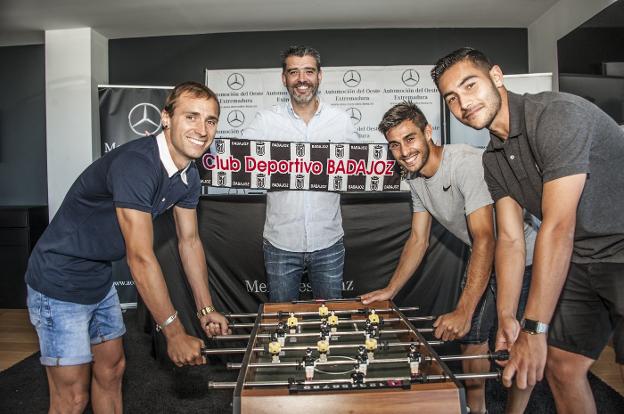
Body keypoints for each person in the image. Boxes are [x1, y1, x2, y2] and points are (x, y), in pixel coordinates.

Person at [433, 47, 624, 414]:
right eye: (452, 98)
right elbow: (509, 238)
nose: (463, 103)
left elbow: (557, 226)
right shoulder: (493, 160)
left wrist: (534, 329)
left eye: (470, 85)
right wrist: (508, 318)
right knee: (562, 367)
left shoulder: (556, 116)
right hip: (584, 257)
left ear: (497, 77)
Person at [25, 81, 230, 413]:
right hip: (59, 279)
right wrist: (174, 333)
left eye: (210, 120)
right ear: (166, 117)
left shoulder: (189, 175)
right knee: (73, 397)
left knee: (112, 372)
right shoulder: (138, 164)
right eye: (191, 116)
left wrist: (206, 310)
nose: (202, 129)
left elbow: (189, 241)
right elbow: (139, 256)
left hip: (98, 275)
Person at [361, 102, 497, 413]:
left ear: (428, 132)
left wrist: (463, 309)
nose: (403, 151)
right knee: (472, 340)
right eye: (394, 144)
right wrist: (390, 290)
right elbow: (418, 239)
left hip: (522, 257)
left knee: (514, 343)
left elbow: (486, 237)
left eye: (410, 139)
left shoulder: (463, 163)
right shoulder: (414, 177)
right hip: (484, 253)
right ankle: (477, 410)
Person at [243, 45, 359, 302]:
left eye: (308, 71)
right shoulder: (265, 121)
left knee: (331, 321)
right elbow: (241, 163)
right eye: (293, 72)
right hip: (280, 244)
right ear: (284, 78)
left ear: (319, 76)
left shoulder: (341, 121)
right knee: (282, 322)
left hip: (328, 241)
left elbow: (357, 170)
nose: (301, 79)